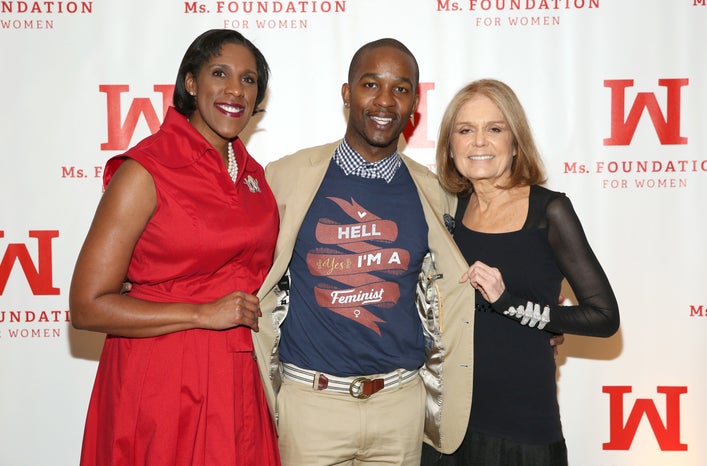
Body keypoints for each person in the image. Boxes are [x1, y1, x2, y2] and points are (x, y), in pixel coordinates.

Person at [252, 38, 476, 465]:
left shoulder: (433, 192)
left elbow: (462, 281)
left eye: (401, 89)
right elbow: (238, 255)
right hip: (312, 407)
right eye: (371, 84)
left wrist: (537, 319)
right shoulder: (286, 178)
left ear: (414, 105)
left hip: (399, 407)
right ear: (346, 93)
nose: (385, 101)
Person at [69, 29, 280, 466]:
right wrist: (202, 313)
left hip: (239, 375)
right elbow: (87, 305)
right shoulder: (146, 170)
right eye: (219, 73)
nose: (234, 90)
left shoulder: (254, 176)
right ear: (190, 83)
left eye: (248, 79)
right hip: (162, 378)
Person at [422, 79, 620, 466]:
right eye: (465, 130)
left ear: (515, 142)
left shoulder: (550, 212)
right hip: (445, 428)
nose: (479, 142)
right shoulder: (447, 212)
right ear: (450, 145)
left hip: (523, 430)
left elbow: (604, 316)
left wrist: (513, 304)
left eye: (494, 129)